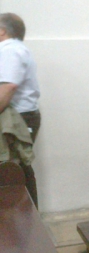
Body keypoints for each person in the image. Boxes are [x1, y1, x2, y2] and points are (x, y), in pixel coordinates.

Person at [0, 13, 41, 207]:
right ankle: (27, 218)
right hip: (21, 117)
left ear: (2, 31)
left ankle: (25, 219)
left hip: (18, 119)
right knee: (18, 169)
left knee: (14, 171)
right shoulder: (16, 49)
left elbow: (8, 87)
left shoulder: (10, 50)